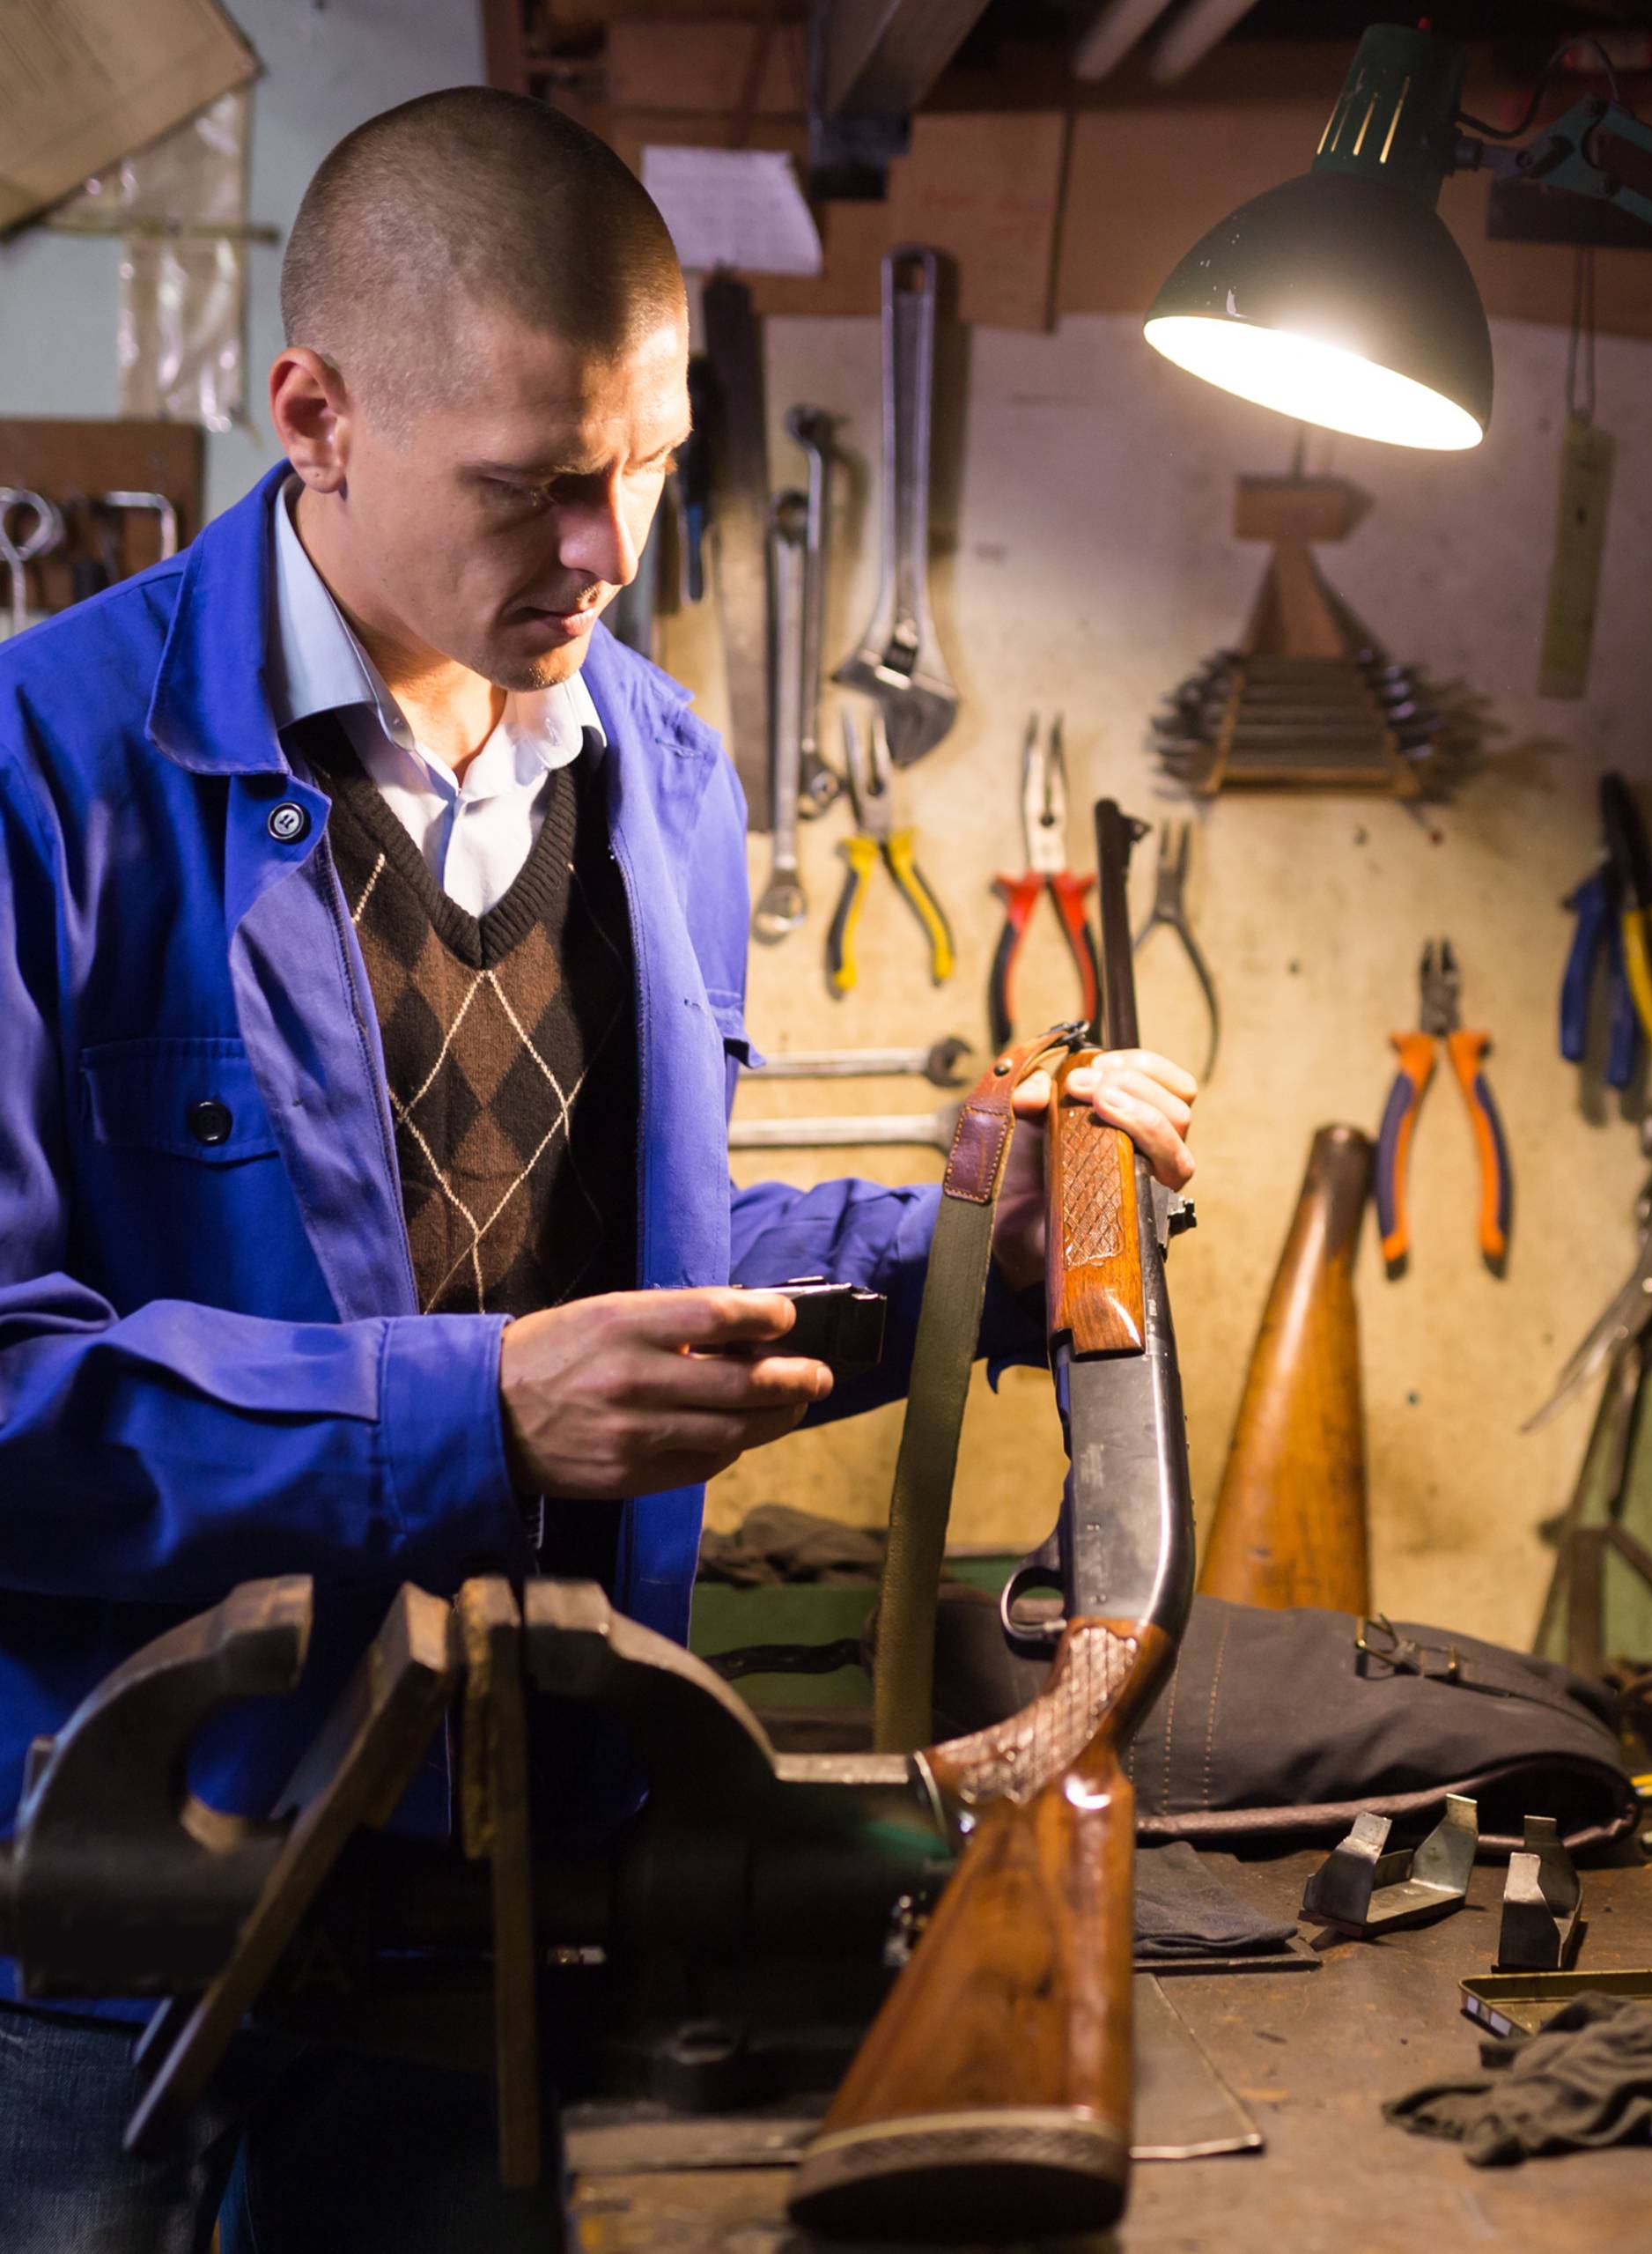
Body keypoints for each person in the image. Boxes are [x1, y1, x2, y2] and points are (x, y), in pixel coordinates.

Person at [0, 87, 1197, 2252]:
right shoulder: (38, 774)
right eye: (541, 486)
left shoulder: (658, 766)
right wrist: (474, 1407)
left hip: (530, 1885)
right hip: (127, 1921)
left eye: (647, 465)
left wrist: (978, 1256)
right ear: (316, 416)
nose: (609, 552)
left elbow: (632, 1261)